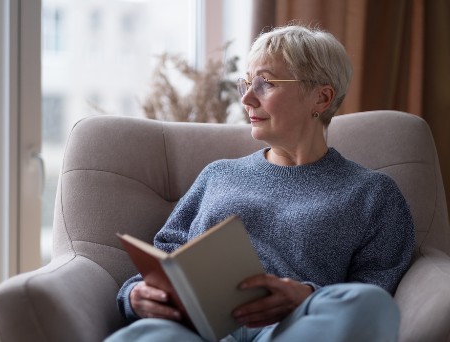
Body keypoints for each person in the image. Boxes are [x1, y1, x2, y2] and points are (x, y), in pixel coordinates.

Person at [106, 24, 415, 342]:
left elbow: (374, 294)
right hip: (196, 333)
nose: (248, 99)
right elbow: (163, 259)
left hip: (292, 331)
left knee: (371, 305)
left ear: (321, 98)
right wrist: (134, 296)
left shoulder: (372, 194)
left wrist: (305, 297)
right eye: (246, 84)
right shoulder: (218, 175)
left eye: (265, 84)